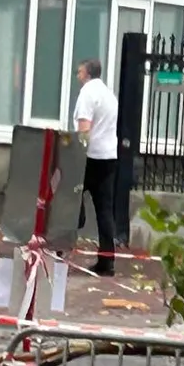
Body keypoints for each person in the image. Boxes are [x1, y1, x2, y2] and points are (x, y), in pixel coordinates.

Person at [73, 58, 119, 276]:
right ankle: (107, 261)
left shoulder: (87, 93)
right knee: (104, 210)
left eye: (79, 72)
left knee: (70, 197)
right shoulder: (109, 94)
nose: (77, 76)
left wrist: (76, 152)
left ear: (88, 73)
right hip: (109, 156)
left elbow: (84, 129)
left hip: (90, 156)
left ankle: (61, 250)